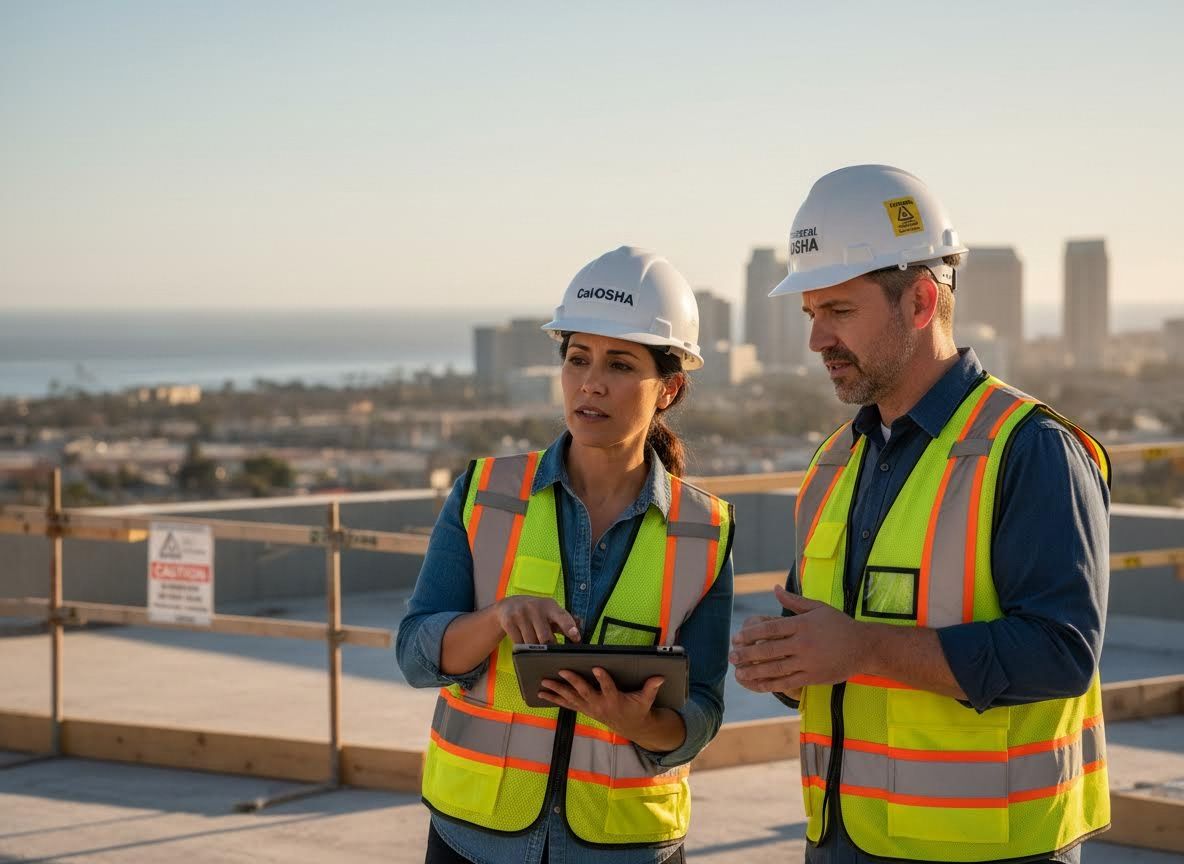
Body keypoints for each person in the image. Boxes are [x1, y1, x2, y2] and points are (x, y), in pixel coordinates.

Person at [730, 165, 1111, 863]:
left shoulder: (1029, 448)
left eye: (838, 311)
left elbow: (1063, 654)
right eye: (811, 314)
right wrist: (785, 661)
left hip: (990, 849)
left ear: (920, 302)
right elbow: (827, 639)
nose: (817, 340)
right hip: (843, 838)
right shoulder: (833, 464)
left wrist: (863, 647)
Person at [397, 246, 736, 864]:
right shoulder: (486, 493)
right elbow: (417, 654)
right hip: (474, 838)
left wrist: (639, 724)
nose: (591, 383)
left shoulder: (705, 529)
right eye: (577, 358)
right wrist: (498, 617)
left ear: (670, 388)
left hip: (628, 846)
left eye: (621, 364)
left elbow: (703, 712)